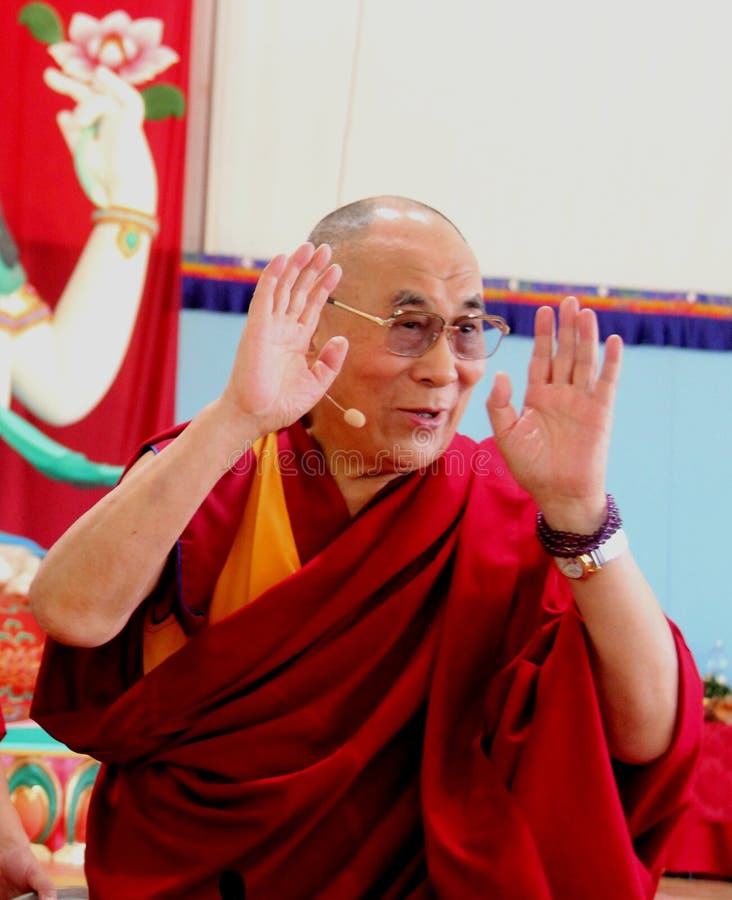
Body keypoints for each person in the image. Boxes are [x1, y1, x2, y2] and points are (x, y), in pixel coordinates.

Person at [28, 197, 701, 899]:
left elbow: (648, 735)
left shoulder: (502, 508)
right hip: (191, 879)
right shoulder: (217, 466)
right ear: (314, 329)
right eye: (409, 327)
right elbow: (72, 612)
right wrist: (235, 418)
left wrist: (579, 511)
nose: (446, 368)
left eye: (468, 330)